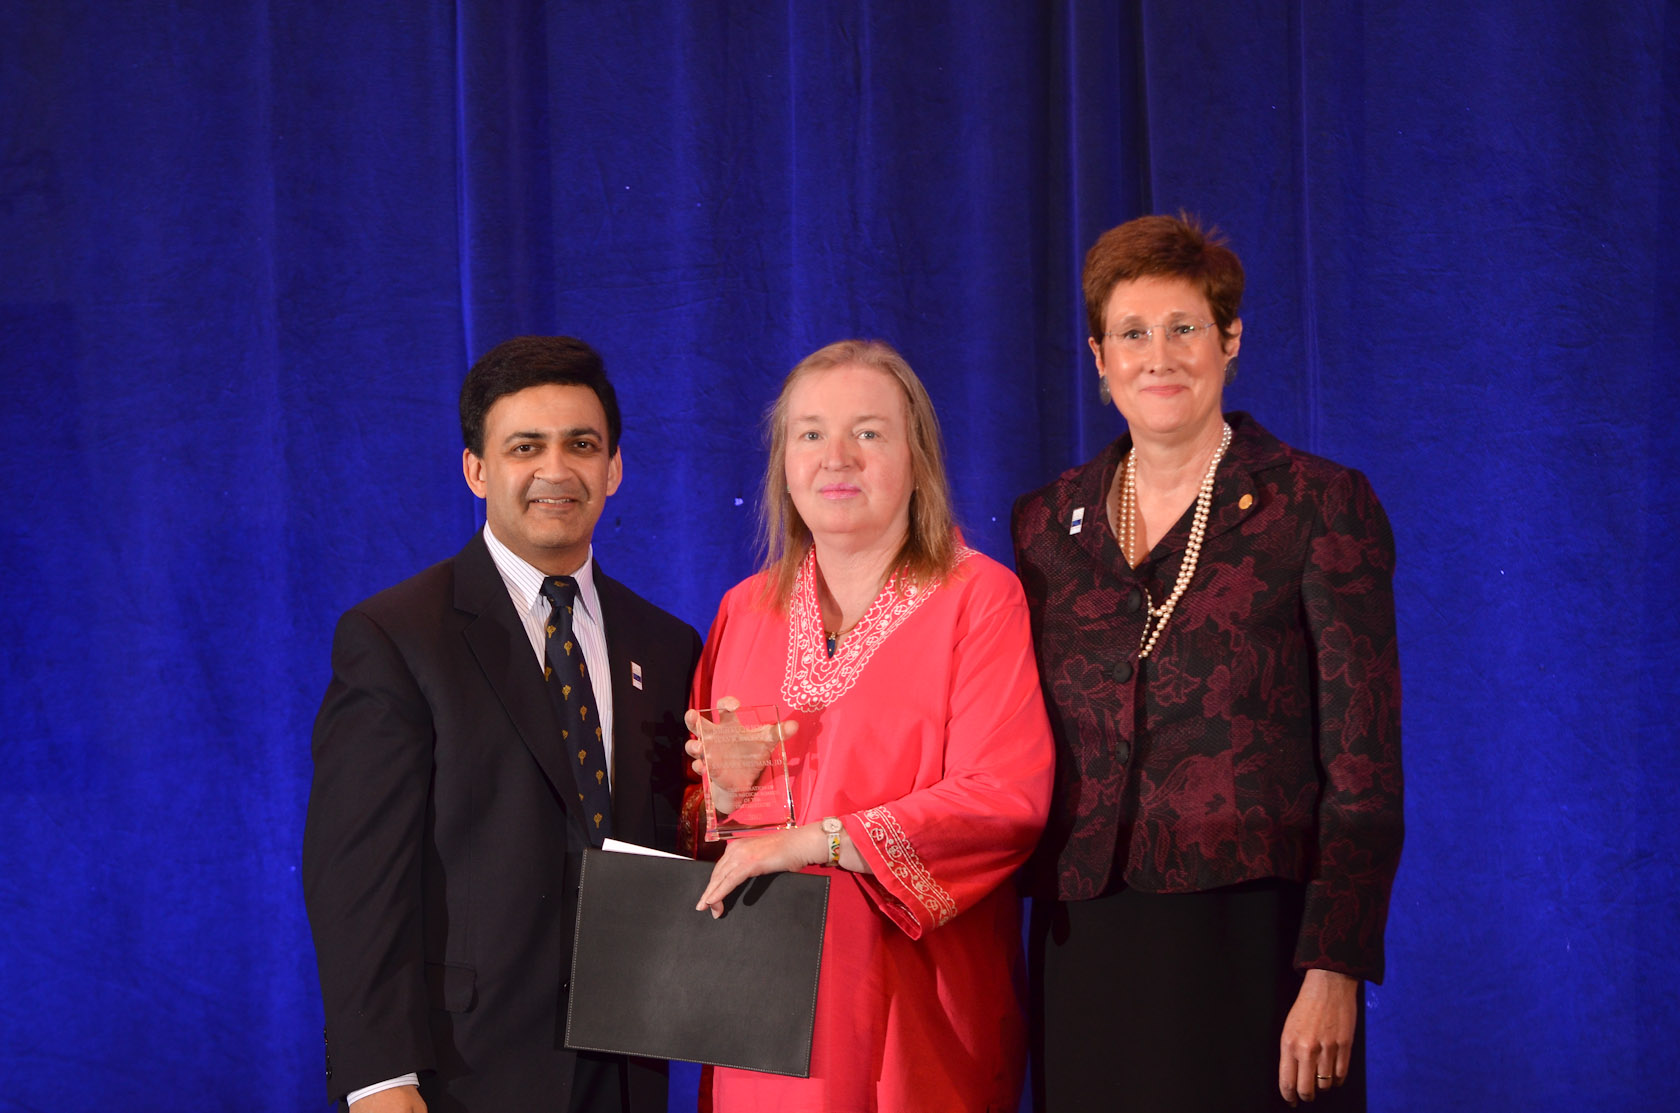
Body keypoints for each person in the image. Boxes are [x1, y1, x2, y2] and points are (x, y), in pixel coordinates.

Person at [1012, 214, 1403, 1112]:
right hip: (1086, 935)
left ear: (1230, 340)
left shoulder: (1318, 503)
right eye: (1132, 333)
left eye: (1184, 327)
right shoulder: (1045, 523)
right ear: (1099, 358)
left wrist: (1335, 964)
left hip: (1255, 939)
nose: (1159, 356)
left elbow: (1366, 765)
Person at [303, 336, 702, 1113]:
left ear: (614, 468)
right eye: (526, 446)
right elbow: (356, 880)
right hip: (464, 1073)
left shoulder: (666, 644)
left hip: (628, 1070)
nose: (556, 469)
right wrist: (379, 1079)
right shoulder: (396, 637)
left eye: (581, 444)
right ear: (476, 470)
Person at [682, 339, 1055, 1112]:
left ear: (917, 460)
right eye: (811, 433)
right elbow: (707, 836)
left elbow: (1005, 797)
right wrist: (723, 794)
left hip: (914, 1016)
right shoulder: (742, 611)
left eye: (869, 432)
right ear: (784, 464)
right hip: (764, 1014)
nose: (837, 457)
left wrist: (817, 841)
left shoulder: (980, 599)